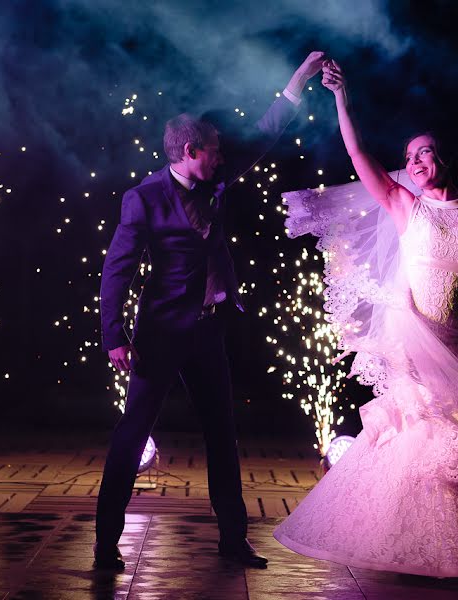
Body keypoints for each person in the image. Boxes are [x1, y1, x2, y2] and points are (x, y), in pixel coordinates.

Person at [273, 59, 458, 576]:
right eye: (409, 156)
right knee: (416, 436)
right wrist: (341, 98)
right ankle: (406, 542)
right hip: (415, 341)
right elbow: (357, 153)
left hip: (457, 342)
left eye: (425, 153)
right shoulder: (403, 206)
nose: (416, 162)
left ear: (444, 157)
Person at [95, 51, 326, 570]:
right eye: (214, 152)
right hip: (159, 333)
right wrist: (114, 336)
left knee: (223, 433)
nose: (223, 158)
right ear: (190, 152)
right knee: (133, 434)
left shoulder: (216, 177)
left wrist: (299, 79)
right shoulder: (144, 198)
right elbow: (118, 270)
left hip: (208, 331)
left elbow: (265, 132)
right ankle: (105, 543)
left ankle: (232, 539)